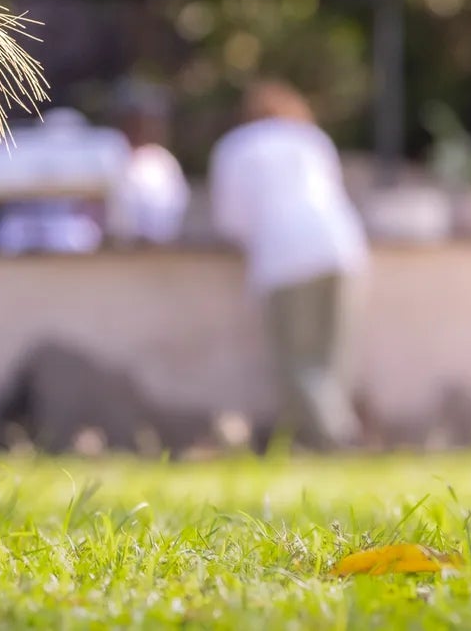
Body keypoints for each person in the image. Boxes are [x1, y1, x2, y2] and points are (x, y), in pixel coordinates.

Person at [207, 79, 370, 449]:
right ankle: (322, 438)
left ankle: (338, 439)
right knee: (331, 360)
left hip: (284, 258)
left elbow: (231, 220)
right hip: (343, 248)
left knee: (299, 362)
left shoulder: (236, 148)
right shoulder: (311, 139)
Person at [104, 79, 190, 245]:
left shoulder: (163, 161)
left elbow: (174, 207)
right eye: (134, 120)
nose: (141, 127)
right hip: (111, 251)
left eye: (147, 121)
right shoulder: (109, 152)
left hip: (156, 251)